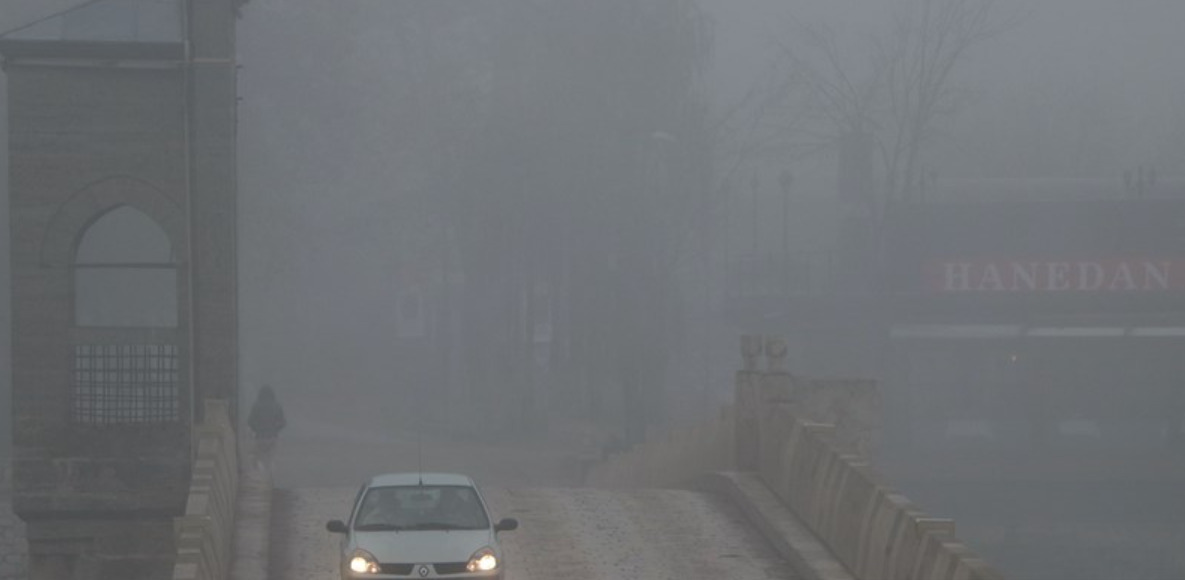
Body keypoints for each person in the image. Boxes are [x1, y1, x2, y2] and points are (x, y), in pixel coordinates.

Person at [247, 385, 286, 468]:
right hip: (272, 438)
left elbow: (250, 422)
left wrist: (256, 429)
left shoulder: (256, 406)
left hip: (259, 438)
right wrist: (275, 429)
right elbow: (283, 423)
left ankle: (259, 474)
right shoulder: (277, 406)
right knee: (270, 459)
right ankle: (270, 475)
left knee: (257, 459)